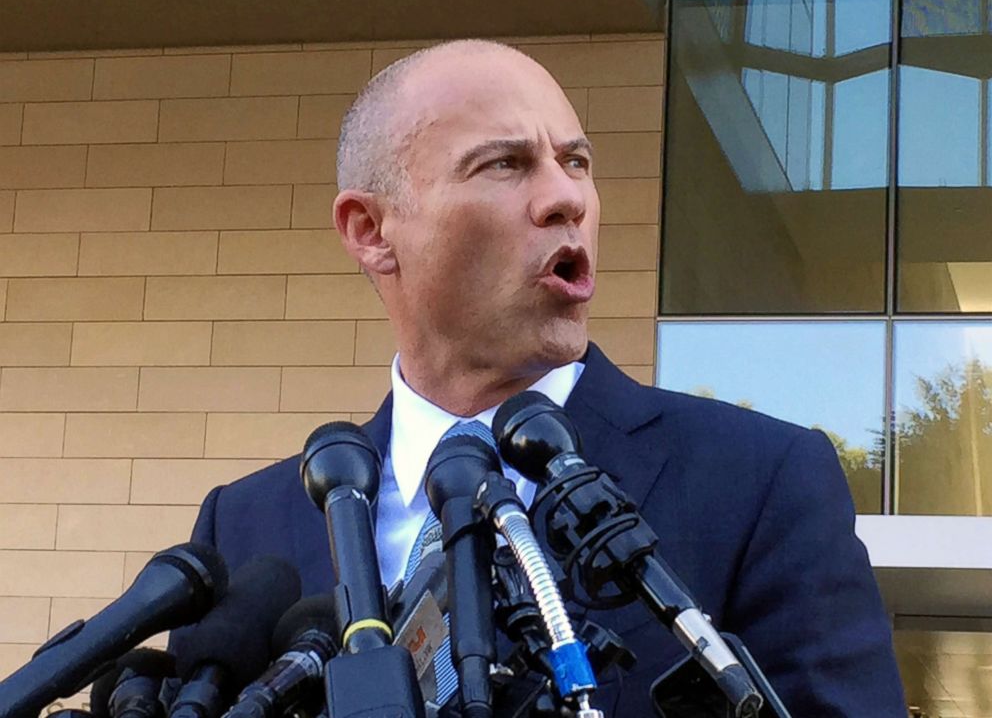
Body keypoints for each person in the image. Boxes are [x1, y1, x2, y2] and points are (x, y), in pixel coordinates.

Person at [179, 40, 907, 715]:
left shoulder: (760, 483)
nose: (568, 199)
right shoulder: (245, 526)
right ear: (371, 231)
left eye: (577, 162)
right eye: (506, 163)